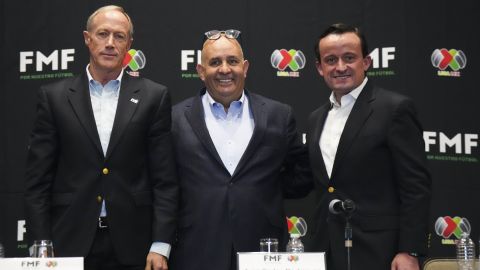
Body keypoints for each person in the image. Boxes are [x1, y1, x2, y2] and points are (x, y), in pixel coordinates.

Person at [24, 5, 177, 270]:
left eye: (119, 36)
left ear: (129, 44)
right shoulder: (54, 98)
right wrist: (41, 244)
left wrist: (160, 244)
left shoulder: (154, 97)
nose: (110, 43)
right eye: (102, 34)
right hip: (68, 243)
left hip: (135, 246)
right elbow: (37, 183)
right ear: (87, 38)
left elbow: (165, 180)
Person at [169, 29, 312, 270]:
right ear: (201, 71)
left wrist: (264, 190)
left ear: (245, 67)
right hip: (196, 249)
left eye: (232, 61)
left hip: (263, 247)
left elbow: (301, 174)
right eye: (215, 62)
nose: (225, 69)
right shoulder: (174, 119)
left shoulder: (279, 114)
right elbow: (165, 183)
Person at [307, 23, 431, 270]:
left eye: (349, 58)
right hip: (326, 251)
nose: (340, 67)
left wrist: (410, 250)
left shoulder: (395, 109)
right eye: (331, 60)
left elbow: (415, 186)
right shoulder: (315, 119)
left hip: (380, 252)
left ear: (366, 62)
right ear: (320, 68)